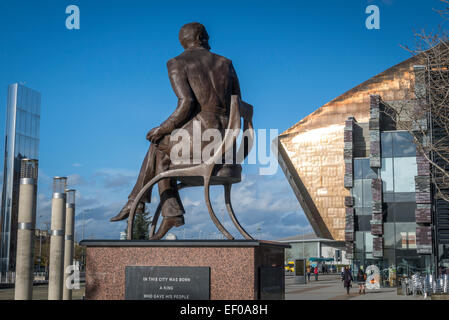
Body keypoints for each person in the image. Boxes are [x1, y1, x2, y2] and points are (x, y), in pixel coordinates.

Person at [110, 22, 242, 240]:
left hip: (203, 143)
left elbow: (186, 103)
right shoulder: (226, 63)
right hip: (228, 147)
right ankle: (157, 208)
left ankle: (147, 205)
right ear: (203, 37)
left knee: (158, 145)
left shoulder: (177, 62)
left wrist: (162, 128)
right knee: (161, 150)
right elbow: (237, 103)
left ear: (184, 41)